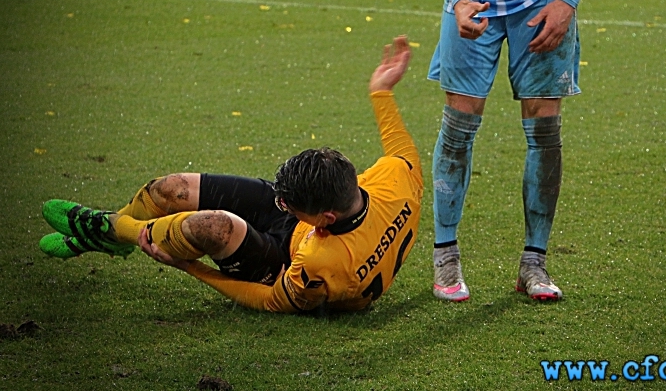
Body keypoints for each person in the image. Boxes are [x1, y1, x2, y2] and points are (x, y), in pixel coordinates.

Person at [39, 36, 422, 314]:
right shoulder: (396, 176)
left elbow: (270, 301)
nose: (279, 202)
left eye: (286, 202)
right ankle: (113, 237)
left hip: (284, 263)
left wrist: (189, 266)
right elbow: (400, 146)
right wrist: (380, 92)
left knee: (214, 227)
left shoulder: (322, 264)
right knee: (169, 189)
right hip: (308, 229)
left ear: (325, 219)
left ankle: (107, 227)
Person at [428, 0, 627, 302]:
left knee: (544, 128)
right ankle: (445, 257)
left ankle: (534, 265)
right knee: (458, 124)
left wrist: (568, 1)